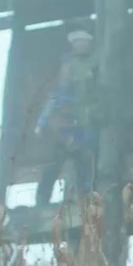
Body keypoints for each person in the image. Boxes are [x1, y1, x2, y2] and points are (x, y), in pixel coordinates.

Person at [34, 26, 98, 207]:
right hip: (60, 133)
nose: (68, 73)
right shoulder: (60, 85)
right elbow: (51, 104)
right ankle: (42, 202)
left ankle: (84, 199)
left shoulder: (91, 71)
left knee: (82, 167)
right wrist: (41, 123)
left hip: (79, 131)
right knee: (52, 168)